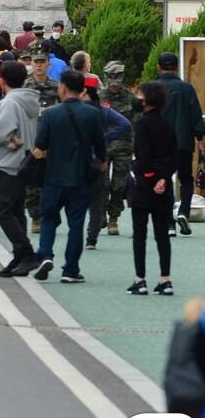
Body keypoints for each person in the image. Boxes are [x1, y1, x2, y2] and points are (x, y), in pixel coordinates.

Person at [30, 70, 106, 283]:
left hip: (53, 176)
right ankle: (70, 269)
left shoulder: (50, 114)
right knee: (76, 224)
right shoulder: (92, 114)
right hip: (80, 178)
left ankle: (45, 254)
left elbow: (41, 143)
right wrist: (101, 162)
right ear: (83, 90)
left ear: (62, 88)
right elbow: (100, 145)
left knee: (48, 219)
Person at [0, 61, 40, 277]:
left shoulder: (8, 103)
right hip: (24, 160)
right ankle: (19, 255)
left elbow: (0, 132)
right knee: (16, 209)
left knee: (2, 209)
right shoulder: (29, 100)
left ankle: (26, 252)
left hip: (8, 162)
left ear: (2, 80)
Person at [127, 81, 177, 296]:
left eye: (140, 95)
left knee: (140, 234)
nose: (137, 98)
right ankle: (165, 279)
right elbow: (175, 155)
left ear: (147, 100)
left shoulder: (142, 124)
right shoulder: (167, 124)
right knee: (162, 235)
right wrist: (163, 179)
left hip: (143, 187)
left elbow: (143, 156)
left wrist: (149, 177)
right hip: (163, 187)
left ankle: (141, 279)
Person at [152, 51, 205, 237]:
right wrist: (200, 138)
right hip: (182, 142)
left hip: (159, 144)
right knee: (186, 180)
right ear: (176, 67)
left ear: (159, 66)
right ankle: (183, 212)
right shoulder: (187, 88)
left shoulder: (153, 88)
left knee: (162, 181)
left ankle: (169, 224)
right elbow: (196, 116)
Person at [83, 77, 131, 251]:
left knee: (91, 197)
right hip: (99, 158)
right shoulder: (101, 109)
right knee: (98, 197)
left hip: (77, 159)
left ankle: (110, 219)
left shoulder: (72, 110)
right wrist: (105, 138)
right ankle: (91, 238)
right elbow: (125, 124)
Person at [98, 61, 140, 237]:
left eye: (118, 77)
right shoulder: (99, 97)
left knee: (118, 184)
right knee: (102, 183)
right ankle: (100, 214)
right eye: (111, 77)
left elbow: (136, 125)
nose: (114, 81)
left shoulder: (131, 99)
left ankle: (113, 218)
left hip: (124, 147)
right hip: (103, 146)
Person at [23, 45, 61, 235]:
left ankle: (49, 215)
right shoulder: (25, 87)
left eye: (42, 62)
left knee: (52, 183)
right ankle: (36, 217)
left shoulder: (56, 88)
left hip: (53, 144)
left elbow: (63, 114)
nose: (38, 66)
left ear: (48, 64)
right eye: (35, 62)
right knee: (31, 185)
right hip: (30, 142)